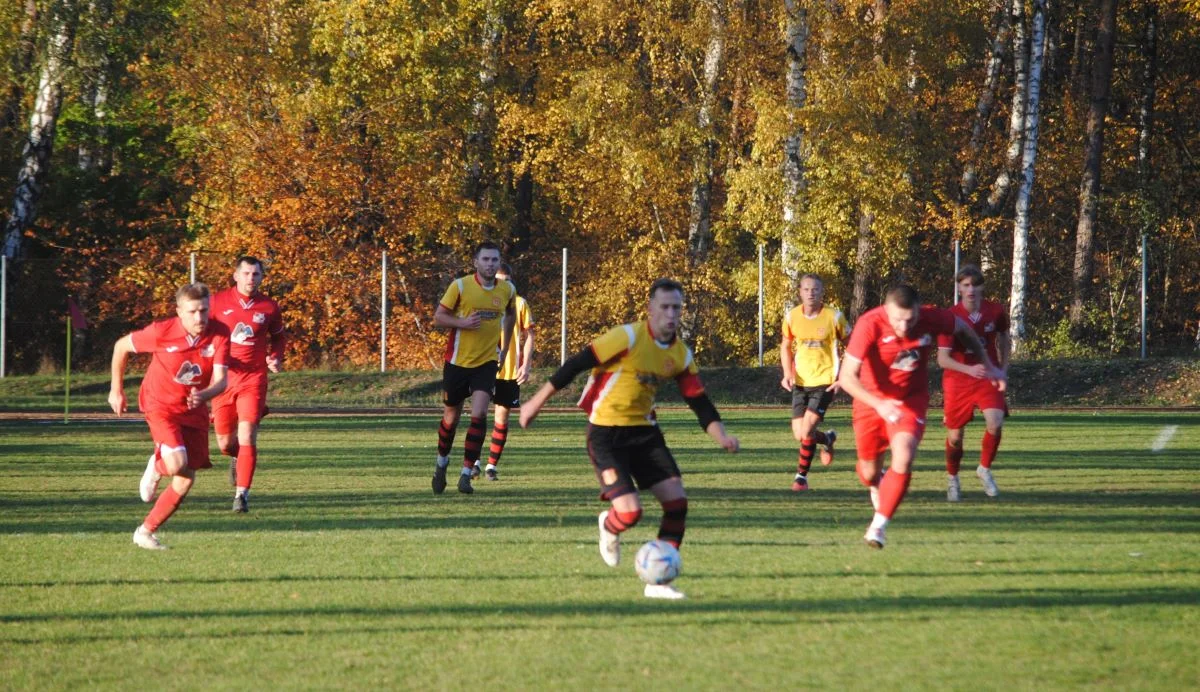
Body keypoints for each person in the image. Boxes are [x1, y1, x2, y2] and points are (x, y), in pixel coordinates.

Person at [520, 278, 740, 599]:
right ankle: (609, 526)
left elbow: (699, 402)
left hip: (645, 434)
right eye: (664, 307)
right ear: (650, 309)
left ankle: (658, 583)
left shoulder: (680, 354)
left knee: (677, 503)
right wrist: (534, 403)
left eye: (676, 308)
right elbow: (575, 365)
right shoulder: (628, 336)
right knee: (630, 513)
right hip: (605, 434)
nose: (670, 314)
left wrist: (722, 437)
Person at [838, 285, 1004, 549]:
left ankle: (878, 527)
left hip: (910, 401)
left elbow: (963, 329)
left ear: (918, 311)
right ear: (886, 311)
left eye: (910, 319)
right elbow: (846, 377)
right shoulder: (869, 323)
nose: (904, 327)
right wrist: (879, 404)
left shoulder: (931, 317)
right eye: (897, 320)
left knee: (903, 455)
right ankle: (877, 480)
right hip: (871, 403)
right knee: (868, 472)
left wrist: (988, 362)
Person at [108, 283, 231, 550]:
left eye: (204, 310)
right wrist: (116, 390)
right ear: (179, 312)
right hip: (159, 404)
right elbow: (121, 347)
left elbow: (222, 381)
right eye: (193, 312)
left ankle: (145, 531)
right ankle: (158, 463)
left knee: (186, 477)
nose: (200, 318)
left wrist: (205, 394)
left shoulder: (220, 333)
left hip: (194, 409)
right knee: (176, 463)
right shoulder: (162, 331)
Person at [432, 240, 516, 495]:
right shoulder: (460, 286)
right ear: (476, 262)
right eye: (486, 259)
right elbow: (438, 318)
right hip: (457, 363)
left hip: (486, 362)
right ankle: (441, 464)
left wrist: (506, 344)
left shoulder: (507, 290)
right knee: (451, 418)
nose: (490, 264)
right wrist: (463, 323)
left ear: (499, 263)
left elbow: (511, 315)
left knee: (479, 414)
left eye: (494, 260)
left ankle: (466, 473)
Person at [209, 256, 287, 513]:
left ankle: (241, 495)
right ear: (236, 276)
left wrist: (275, 357)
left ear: (262, 277)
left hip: (253, 379)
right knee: (225, 443)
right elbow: (200, 333)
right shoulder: (216, 302)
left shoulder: (269, 307)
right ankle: (235, 457)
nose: (250, 279)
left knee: (247, 436)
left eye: (255, 274)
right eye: (246, 273)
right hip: (222, 380)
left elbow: (278, 337)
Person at [938, 264, 1010, 501]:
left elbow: (1004, 337)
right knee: (956, 438)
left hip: (986, 376)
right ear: (959, 288)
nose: (971, 289)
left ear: (982, 287)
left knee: (995, 422)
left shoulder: (996, 311)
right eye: (966, 285)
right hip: (958, 379)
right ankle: (952, 478)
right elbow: (943, 359)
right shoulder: (950, 317)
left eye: (975, 285)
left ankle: (984, 469)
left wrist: (1002, 369)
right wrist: (968, 368)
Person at [779, 274, 850, 491]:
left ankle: (801, 478)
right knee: (800, 433)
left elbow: (853, 345)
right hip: (800, 381)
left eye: (816, 289)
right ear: (800, 292)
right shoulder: (791, 317)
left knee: (808, 428)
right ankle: (827, 439)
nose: (811, 293)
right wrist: (786, 373)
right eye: (807, 289)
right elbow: (785, 346)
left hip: (825, 380)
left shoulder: (834, 317)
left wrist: (843, 375)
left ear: (822, 292)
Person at [472, 263, 534, 482]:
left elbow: (529, 336)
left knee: (501, 418)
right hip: (484, 366)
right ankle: (474, 463)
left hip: (508, 371)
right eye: (499, 280)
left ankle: (491, 466)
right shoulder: (482, 301)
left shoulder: (519, 303)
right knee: (478, 415)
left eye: (506, 281)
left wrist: (525, 364)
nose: (502, 285)